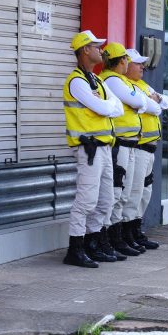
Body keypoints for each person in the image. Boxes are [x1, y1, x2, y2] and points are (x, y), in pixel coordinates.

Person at [62, 30, 124, 268]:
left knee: (106, 199)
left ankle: (93, 244)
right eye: (96, 47)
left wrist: (106, 106)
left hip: (104, 148)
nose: (101, 50)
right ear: (85, 50)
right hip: (89, 149)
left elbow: (115, 108)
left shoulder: (96, 80)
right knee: (86, 200)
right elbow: (103, 107)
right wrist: (107, 106)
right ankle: (75, 249)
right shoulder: (76, 81)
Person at [99, 42, 148, 257]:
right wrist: (140, 102)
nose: (129, 63)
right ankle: (111, 238)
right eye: (127, 60)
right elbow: (139, 102)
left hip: (129, 145)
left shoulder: (119, 80)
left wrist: (140, 102)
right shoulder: (112, 80)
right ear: (121, 61)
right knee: (117, 193)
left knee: (126, 192)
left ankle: (118, 236)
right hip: (119, 145)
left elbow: (143, 103)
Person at [123, 48, 168, 249]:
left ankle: (136, 230)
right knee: (134, 192)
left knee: (145, 191)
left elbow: (165, 102)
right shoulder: (126, 85)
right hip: (139, 146)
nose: (142, 66)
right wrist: (154, 102)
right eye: (137, 63)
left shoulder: (142, 85)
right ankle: (127, 233)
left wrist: (156, 100)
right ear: (125, 65)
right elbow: (155, 107)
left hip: (150, 147)